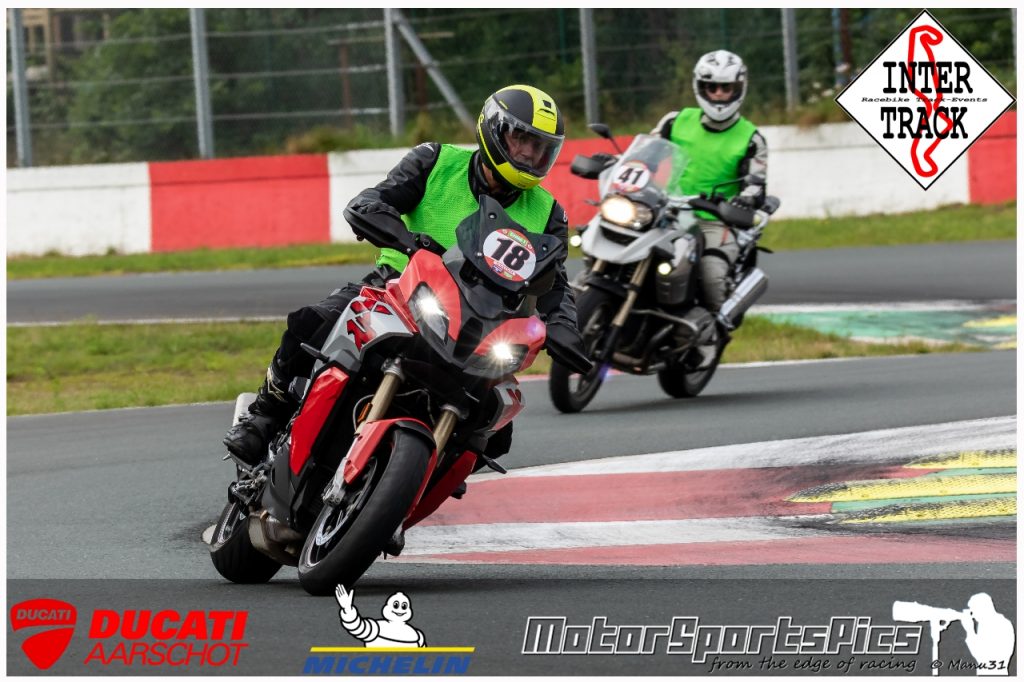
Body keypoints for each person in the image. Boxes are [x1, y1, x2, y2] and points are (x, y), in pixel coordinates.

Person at [224, 84, 587, 473]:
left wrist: (564, 326)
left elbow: (555, 283)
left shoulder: (549, 214)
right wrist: (409, 242)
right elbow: (371, 202)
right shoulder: (436, 161)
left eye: (540, 147)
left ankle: (424, 477)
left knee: (494, 430)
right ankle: (265, 413)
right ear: (493, 130)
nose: (529, 154)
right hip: (398, 288)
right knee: (312, 322)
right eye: (521, 140)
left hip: (480, 324)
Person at [651, 49, 768, 362]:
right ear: (699, 87)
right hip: (665, 211)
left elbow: (756, 183)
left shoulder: (751, 138)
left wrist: (746, 197)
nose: (718, 94)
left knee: (712, 272)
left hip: (714, 220)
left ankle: (710, 337)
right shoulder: (675, 121)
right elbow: (647, 153)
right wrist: (616, 162)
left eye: (725, 88)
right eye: (711, 87)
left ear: (739, 88)